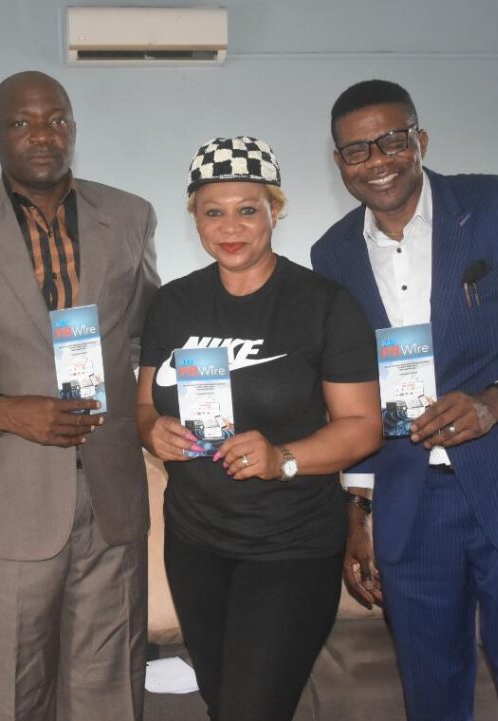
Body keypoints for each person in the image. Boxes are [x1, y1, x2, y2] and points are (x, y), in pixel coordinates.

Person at [312, 79, 498, 721]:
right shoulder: (332, 254)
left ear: (420, 139)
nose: (377, 160)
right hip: (412, 501)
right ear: (339, 163)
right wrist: (357, 508)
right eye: (357, 150)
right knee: (430, 691)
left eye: (392, 140)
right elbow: (354, 387)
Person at [0, 70, 158, 721]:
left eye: (57, 119)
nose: (43, 135)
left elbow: (145, 339)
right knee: (17, 691)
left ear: (73, 128)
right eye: (22, 123)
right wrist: (1, 408)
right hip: (9, 494)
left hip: (111, 492)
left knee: (113, 685)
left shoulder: (130, 216)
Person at [137, 136, 382, 721]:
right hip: (195, 542)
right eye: (212, 211)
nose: (230, 227)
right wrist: (152, 430)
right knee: (223, 701)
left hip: (291, 545)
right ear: (195, 218)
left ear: (275, 210)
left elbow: (363, 426)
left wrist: (283, 458)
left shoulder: (323, 303)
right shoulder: (173, 303)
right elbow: (143, 405)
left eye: (248, 209)